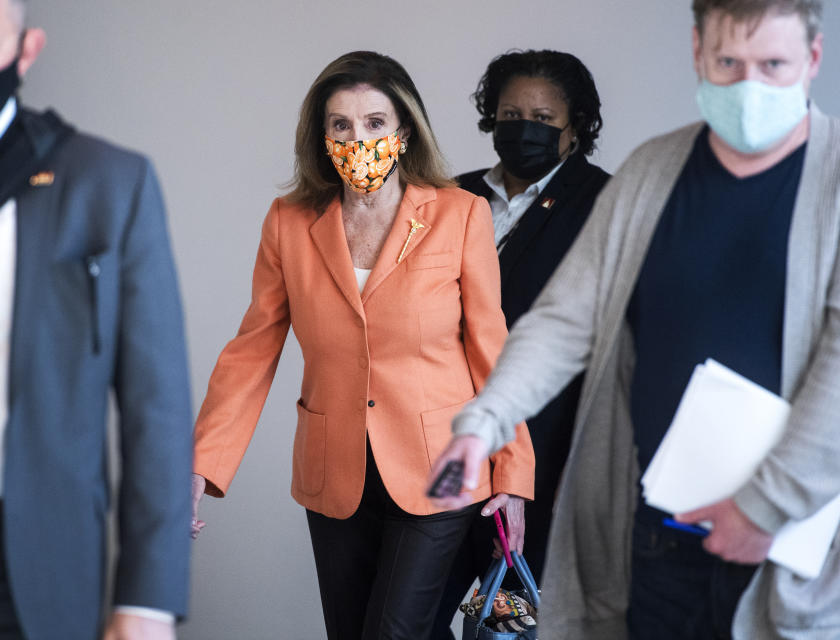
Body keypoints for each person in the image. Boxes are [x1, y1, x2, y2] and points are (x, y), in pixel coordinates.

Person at [430, 1, 840, 638]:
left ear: (812, 60)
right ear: (699, 52)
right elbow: (567, 319)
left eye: (773, 64)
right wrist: (487, 420)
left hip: (783, 541)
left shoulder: (834, 182)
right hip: (648, 531)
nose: (749, 85)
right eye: (729, 61)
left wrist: (765, 508)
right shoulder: (653, 172)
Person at [189, 50, 535, 640]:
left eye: (376, 122)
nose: (359, 138)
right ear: (322, 137)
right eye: (341, 124)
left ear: (405, 129)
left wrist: (514, 473)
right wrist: (199, 465)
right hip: (334, 471)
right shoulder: (288, 223)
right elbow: (252, 349)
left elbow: (491, 350)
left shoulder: (460, 215)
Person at [0, 1, 192, 638]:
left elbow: (154, 409)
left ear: (26, 50)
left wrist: (148, 599)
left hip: (30, 566)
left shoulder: (109, 184)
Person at [435, 49, 609, 636]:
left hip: (542, 456)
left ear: (575, 126)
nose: (524, 128)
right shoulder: (448, 197)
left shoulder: (603, 204)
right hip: (440, 443)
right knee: (411, 617)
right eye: (510, 114)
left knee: (506, 623)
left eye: (542, 116)